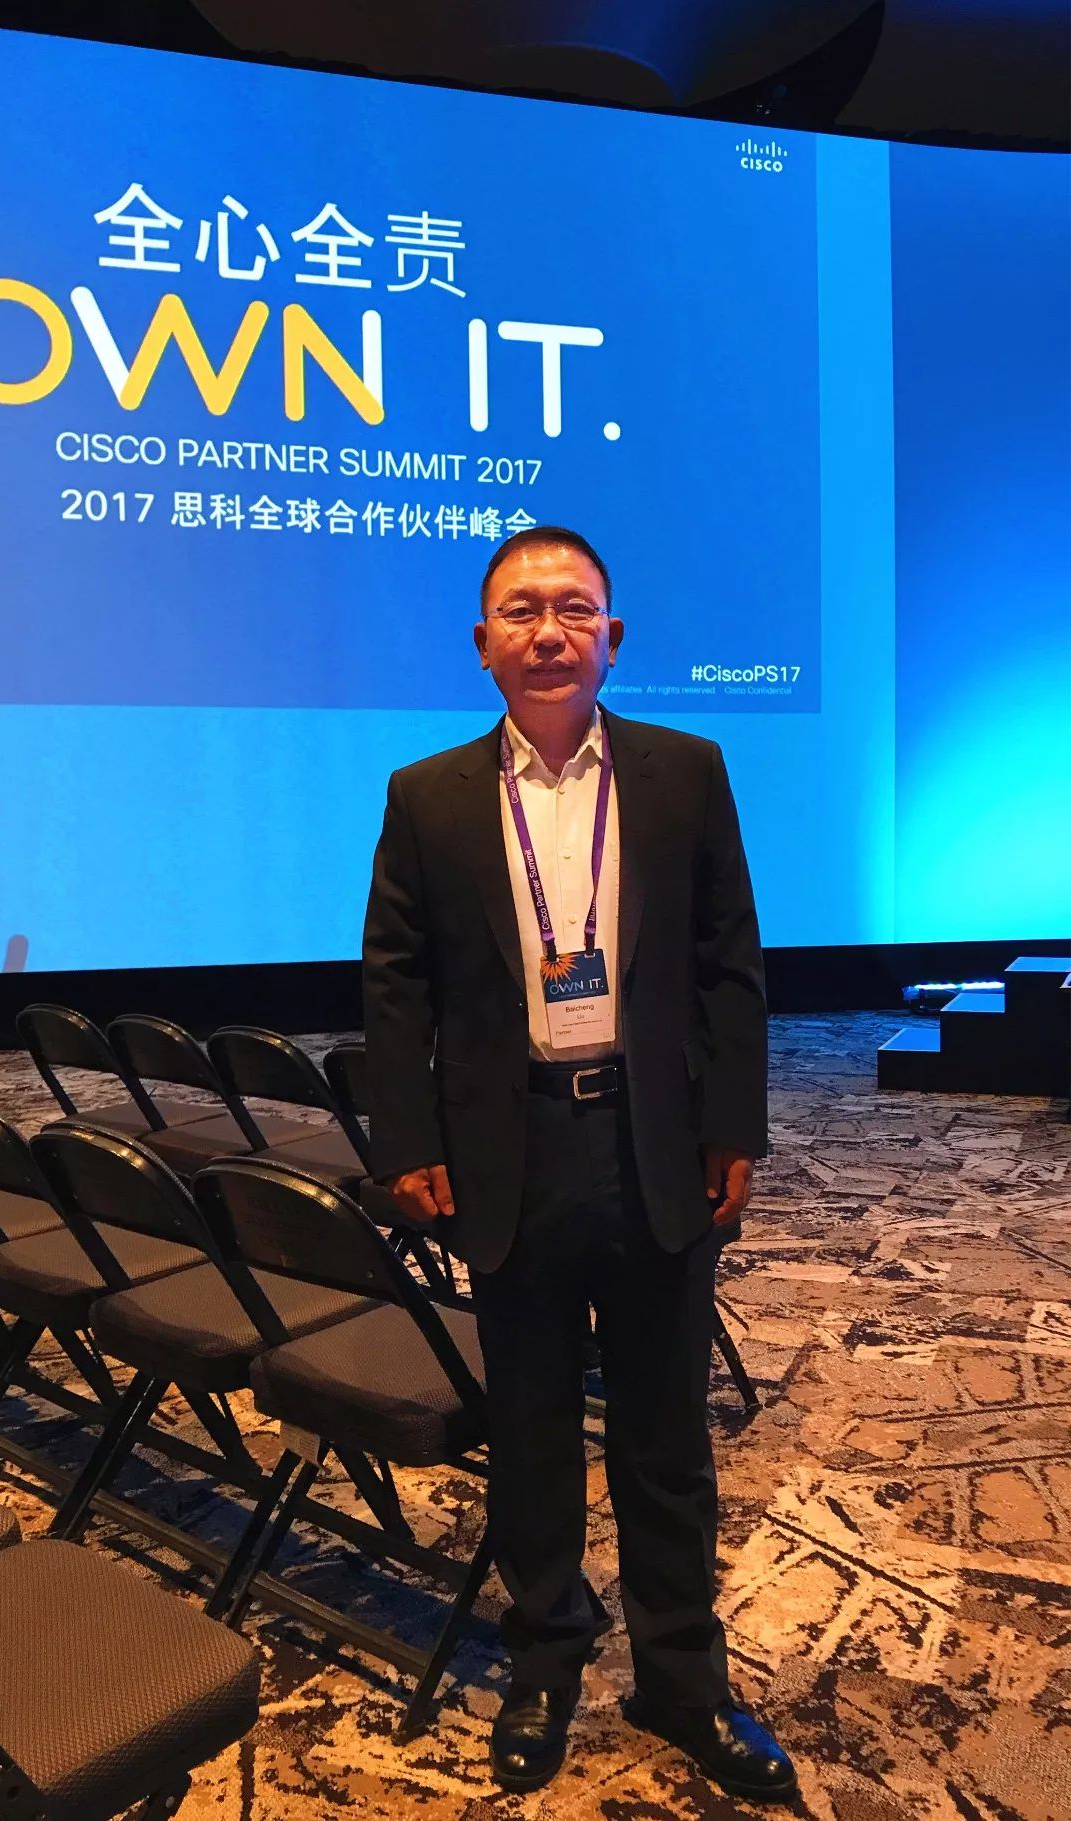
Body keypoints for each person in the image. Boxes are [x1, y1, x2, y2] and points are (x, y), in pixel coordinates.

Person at [362, 526, 797, 1800]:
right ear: (481, 642)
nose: (546, 631)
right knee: (532, 1430)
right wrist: (409, 1141)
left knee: (664, 1435)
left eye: (572, 609)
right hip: (509, 1152)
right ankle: (545, 1661)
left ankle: (682, 1681)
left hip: (652, 1142)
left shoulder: (683, 772)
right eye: (519, 611)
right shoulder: (426, 795)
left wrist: (732, 1126)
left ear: (611, 636)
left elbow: (728, 963)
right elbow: (395, 985)